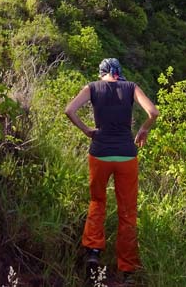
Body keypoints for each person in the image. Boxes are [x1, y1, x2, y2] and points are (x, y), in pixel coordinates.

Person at [64, 58, 159, 284]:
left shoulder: (92, 87)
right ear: (118, 73)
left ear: (102, 73)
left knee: (98, 200)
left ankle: (94, 252)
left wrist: (87, 130)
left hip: (99, 153)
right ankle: (127, 270)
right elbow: (153, 112)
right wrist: (143, 130)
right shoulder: (131, 87)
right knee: (127, 211)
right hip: (126, 155)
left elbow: (69, 110)